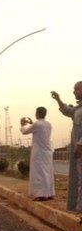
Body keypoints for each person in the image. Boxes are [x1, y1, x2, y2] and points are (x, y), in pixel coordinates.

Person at [52, 82, 82, 212]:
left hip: (80, 149)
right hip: (77, 151)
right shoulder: (78, 108)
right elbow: (67, 110)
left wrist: (80, 144)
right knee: (78, 179)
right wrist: (58, 99)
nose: (74, 92)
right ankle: (78, 208)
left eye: (76, 89)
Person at [20, 107, 55, 201]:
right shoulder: (48, 124)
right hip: (47, 152)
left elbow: (25, 131)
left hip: (39, 152)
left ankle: (41, 194)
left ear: (37, 113)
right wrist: (31, 124)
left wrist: (24, 124)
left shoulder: (37, 124)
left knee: (39, 173)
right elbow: (34, 128)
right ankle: (50, 193)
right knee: (48, 173)